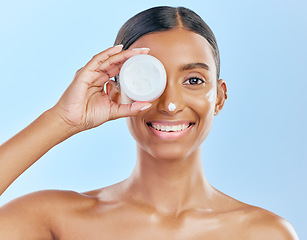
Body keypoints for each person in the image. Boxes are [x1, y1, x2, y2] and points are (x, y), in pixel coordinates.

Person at [0, 6, 298, 239]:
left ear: (219, 97)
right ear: (116, 91)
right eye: (148, 80)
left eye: (193, 80)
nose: (169, 104)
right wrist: (62, 120)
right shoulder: (56, 219)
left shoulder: (265, 234)